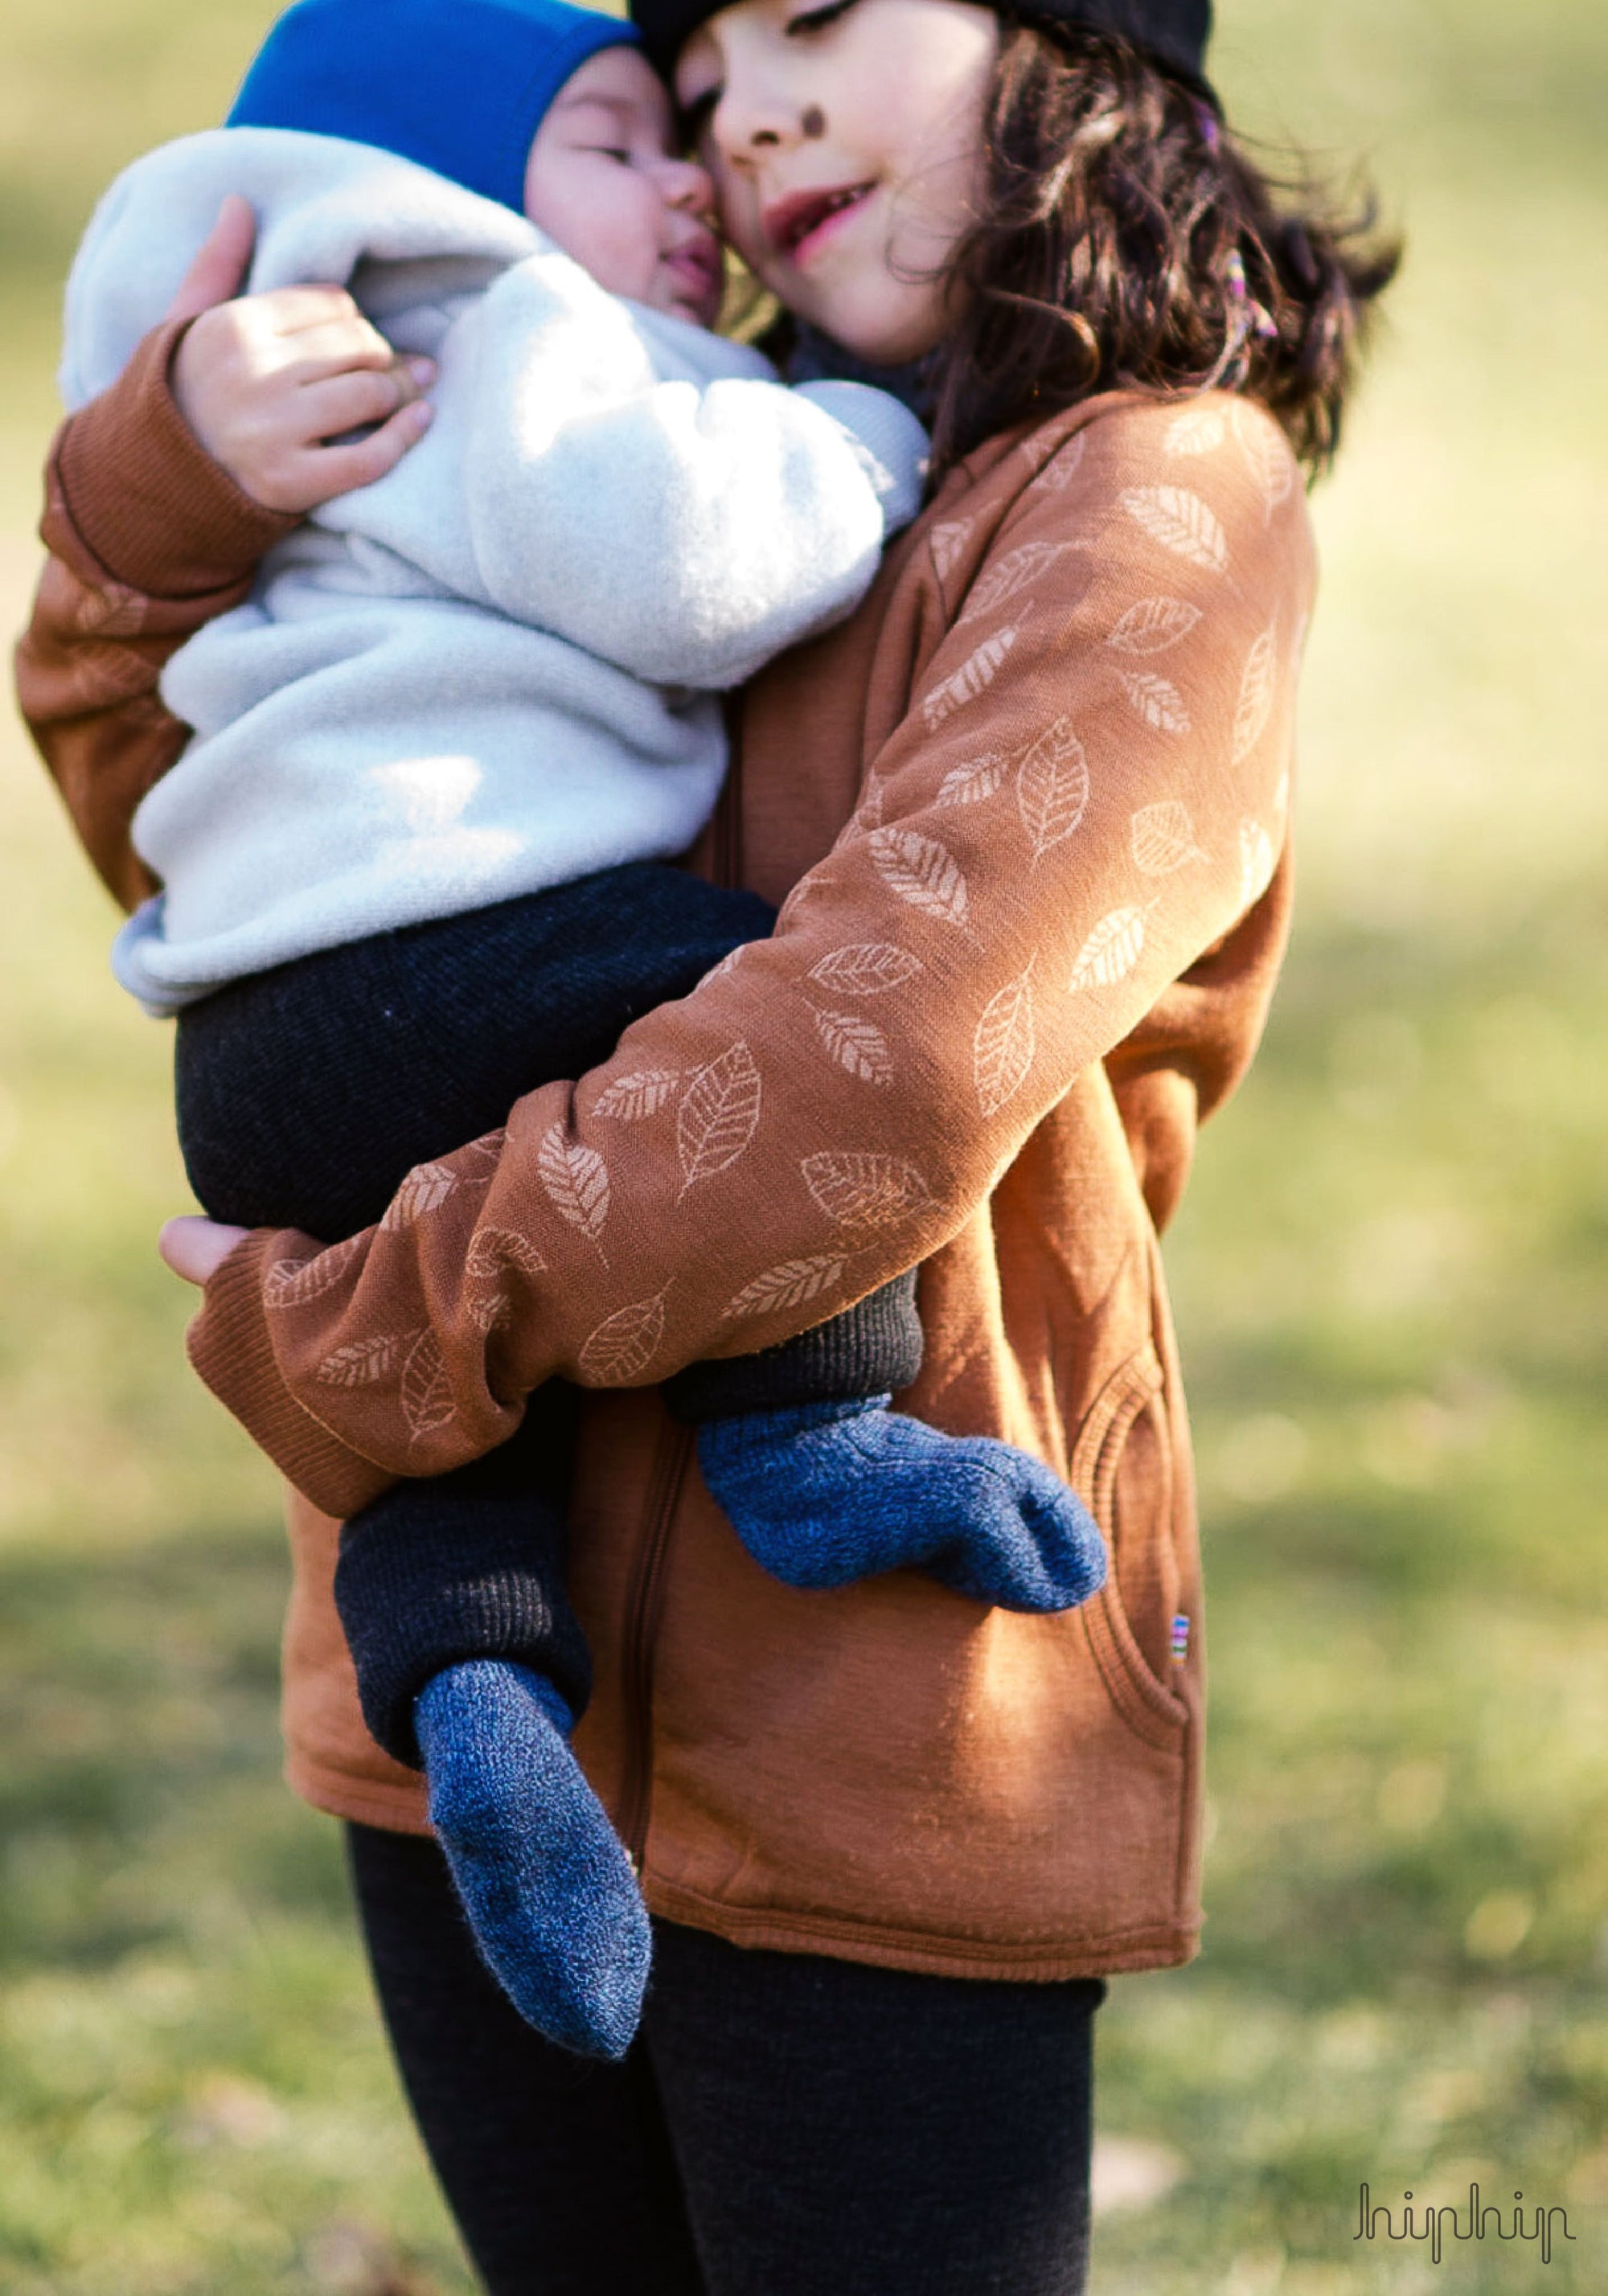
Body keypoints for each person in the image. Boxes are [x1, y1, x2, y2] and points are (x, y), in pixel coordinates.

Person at [15, 0, 1398, 2286]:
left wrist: (396, 1324)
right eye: (702, 70)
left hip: (882, 1706)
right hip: (473, 1698)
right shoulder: (628, 411)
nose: (749, 110)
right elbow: (230, 859)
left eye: (825, 18)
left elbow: (879, 1069)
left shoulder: (1153, 497)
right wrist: (166, 504)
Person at [59, 0, 1108, 2061]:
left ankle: (470, 1680)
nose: (694, 189)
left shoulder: (295, 386)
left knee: (447, 1436)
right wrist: (865, 437)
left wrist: (152, 484)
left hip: (257, 1053)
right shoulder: (471, 314)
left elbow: (113, 762)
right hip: (461, 934)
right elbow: (697, 567)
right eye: (632, 139)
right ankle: (808, 1438)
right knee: (728, 998)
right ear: (444, 176)